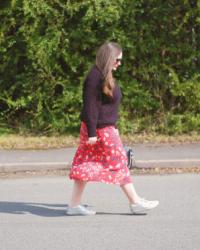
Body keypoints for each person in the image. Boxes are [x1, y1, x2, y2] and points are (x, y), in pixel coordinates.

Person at [66, 41, 159, 215]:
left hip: (104, 128)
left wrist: (113, 126)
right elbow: (90, 107)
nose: (119, 63)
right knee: (119, 162)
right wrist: (92, 133)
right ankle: (135, 202)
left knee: (86, 164)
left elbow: (106, 107)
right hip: (99, 130)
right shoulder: (94, 77)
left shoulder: (103, 75)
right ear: (108, 58)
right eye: (117, 60)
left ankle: (74, 205)